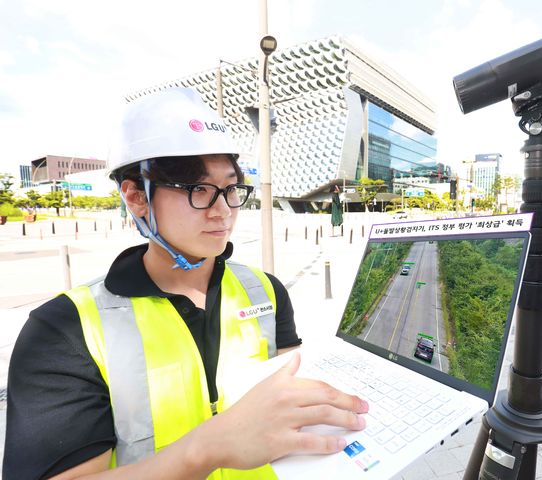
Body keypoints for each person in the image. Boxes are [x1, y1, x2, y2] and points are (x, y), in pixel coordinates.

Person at [4, 88, 368, 479]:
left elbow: (294, 403)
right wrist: (209, 448)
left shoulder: (267, 290)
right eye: (198, 190)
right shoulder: (64, 329)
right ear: (136, 196)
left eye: (230, 189)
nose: (223, 210)